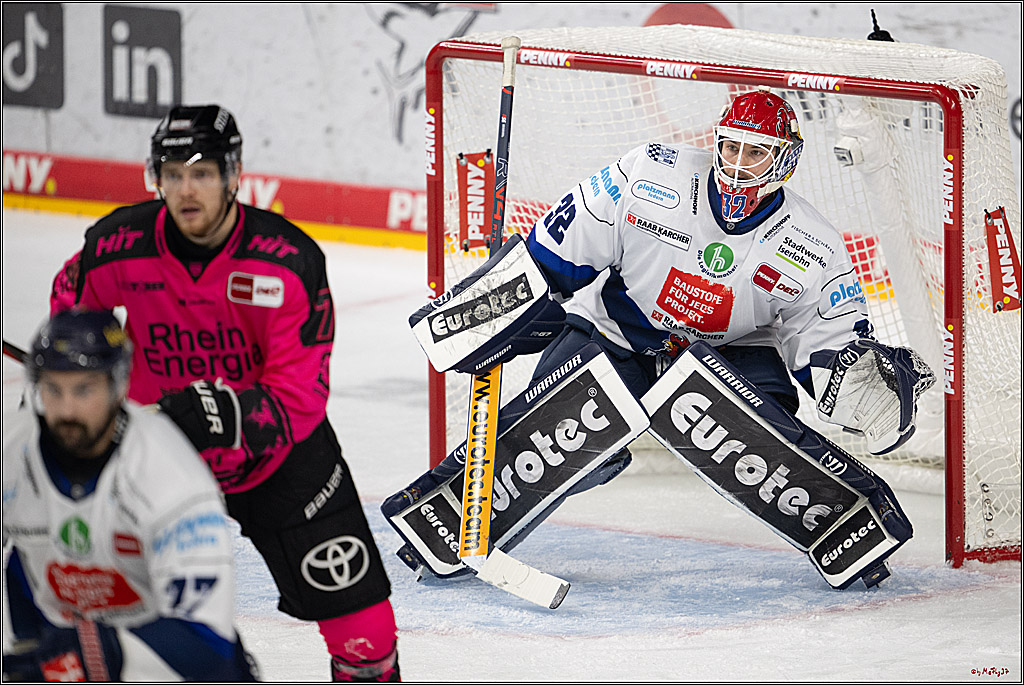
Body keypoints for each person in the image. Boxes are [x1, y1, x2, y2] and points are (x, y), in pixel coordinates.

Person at [384, 88, 935, 590]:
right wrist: (491, 310)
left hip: (731, 353)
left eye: (756, 153)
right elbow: (558, 248)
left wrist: (856, 377)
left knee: (760, 420)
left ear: (784, 161)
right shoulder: (647, 177)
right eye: (731, 148)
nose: (738, 166)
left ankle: (837, 517)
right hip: (617, 333)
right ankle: (450, 515)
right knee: (568, 427)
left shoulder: (814, 246)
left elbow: (827, 341)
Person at [48, 105, 399, 682]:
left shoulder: (287, 262)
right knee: (101, 622)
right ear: (155, 177)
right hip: (156, 462)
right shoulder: (118, 246)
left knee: (366, 635)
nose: (187, 190)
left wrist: (221, 412)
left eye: (203, 172)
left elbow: (301, 397)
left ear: (234, 174)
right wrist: (92, 387)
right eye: (173, 173)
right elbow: (70, 319)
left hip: (280, 462)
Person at [2, 310, 259, 681]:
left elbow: (207, 647)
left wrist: (90, 651)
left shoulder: (170, 473)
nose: (67, 410)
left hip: (160, 664)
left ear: (119, 386)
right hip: (58, 639)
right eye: (53, 389)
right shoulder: (12, 450)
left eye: (84, 389)